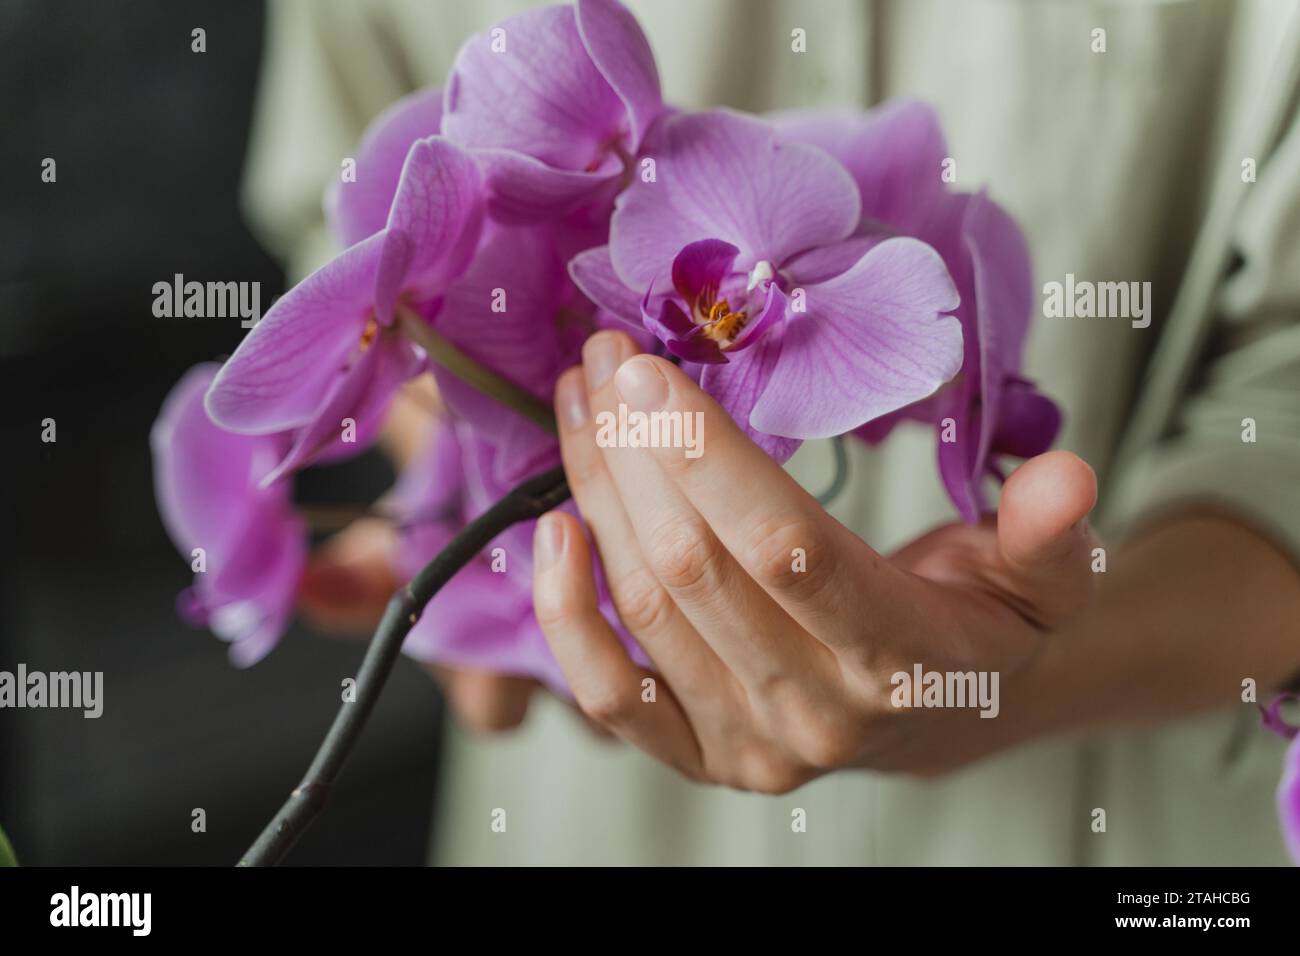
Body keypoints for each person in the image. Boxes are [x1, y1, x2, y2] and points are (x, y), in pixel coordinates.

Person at [243, 0, 1300, 864]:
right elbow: (357, 208)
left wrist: (1032, 674)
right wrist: (479, 510)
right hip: (599, 796)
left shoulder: (856, 326)